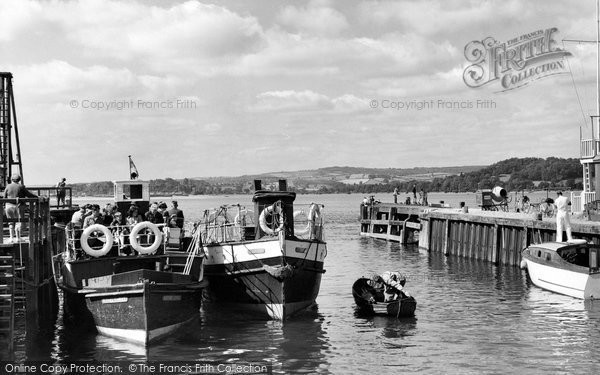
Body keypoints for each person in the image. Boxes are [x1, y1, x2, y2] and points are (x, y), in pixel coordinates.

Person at [3, 173, 37, 242]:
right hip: (18, 206)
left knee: (11, 222)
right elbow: (29, 195)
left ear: (11, 179)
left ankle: (11, 238)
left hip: (8, 206)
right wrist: (37, 197)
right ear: (19, 180)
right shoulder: (21, 186)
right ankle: (18, 238)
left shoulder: (8, 186)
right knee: (18, 222)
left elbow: (4, 197)